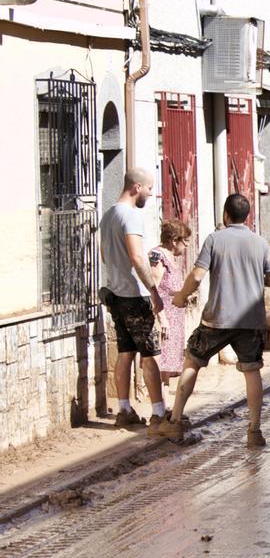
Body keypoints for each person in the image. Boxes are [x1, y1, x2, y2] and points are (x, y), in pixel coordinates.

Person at [152, 194, 270, 447]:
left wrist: (180, 297)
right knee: (252, 371)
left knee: (192, 361)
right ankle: (254, 431)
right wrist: (259, 279)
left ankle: (175, 421)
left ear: (225, 214)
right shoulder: (260, 243)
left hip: (217, 318)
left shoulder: (214, 239)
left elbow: (198, 276)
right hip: (250, 321)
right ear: (247, 216)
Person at [98, 167, 167, 427]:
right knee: (150, 354)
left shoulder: (108, 215)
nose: (150, 193)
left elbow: (105, 255)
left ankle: (124, 410)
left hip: (116, 293)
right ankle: (159, 413)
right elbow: (138, 256)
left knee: (125, 352)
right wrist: (153, 290)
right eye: (149, 188)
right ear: (136, 187)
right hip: (135, 295)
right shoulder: (132, 216)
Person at [148, 219, 192, 388]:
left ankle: (166, 406)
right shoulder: (158, 256)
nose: (186, 246)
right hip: (165, 317)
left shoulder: (171, 257)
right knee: (161, 362)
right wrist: (162, 318)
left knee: (167, 366)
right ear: (174, 240)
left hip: (174, 317)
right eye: (185, 241)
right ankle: (161, 406)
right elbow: (154, 288)